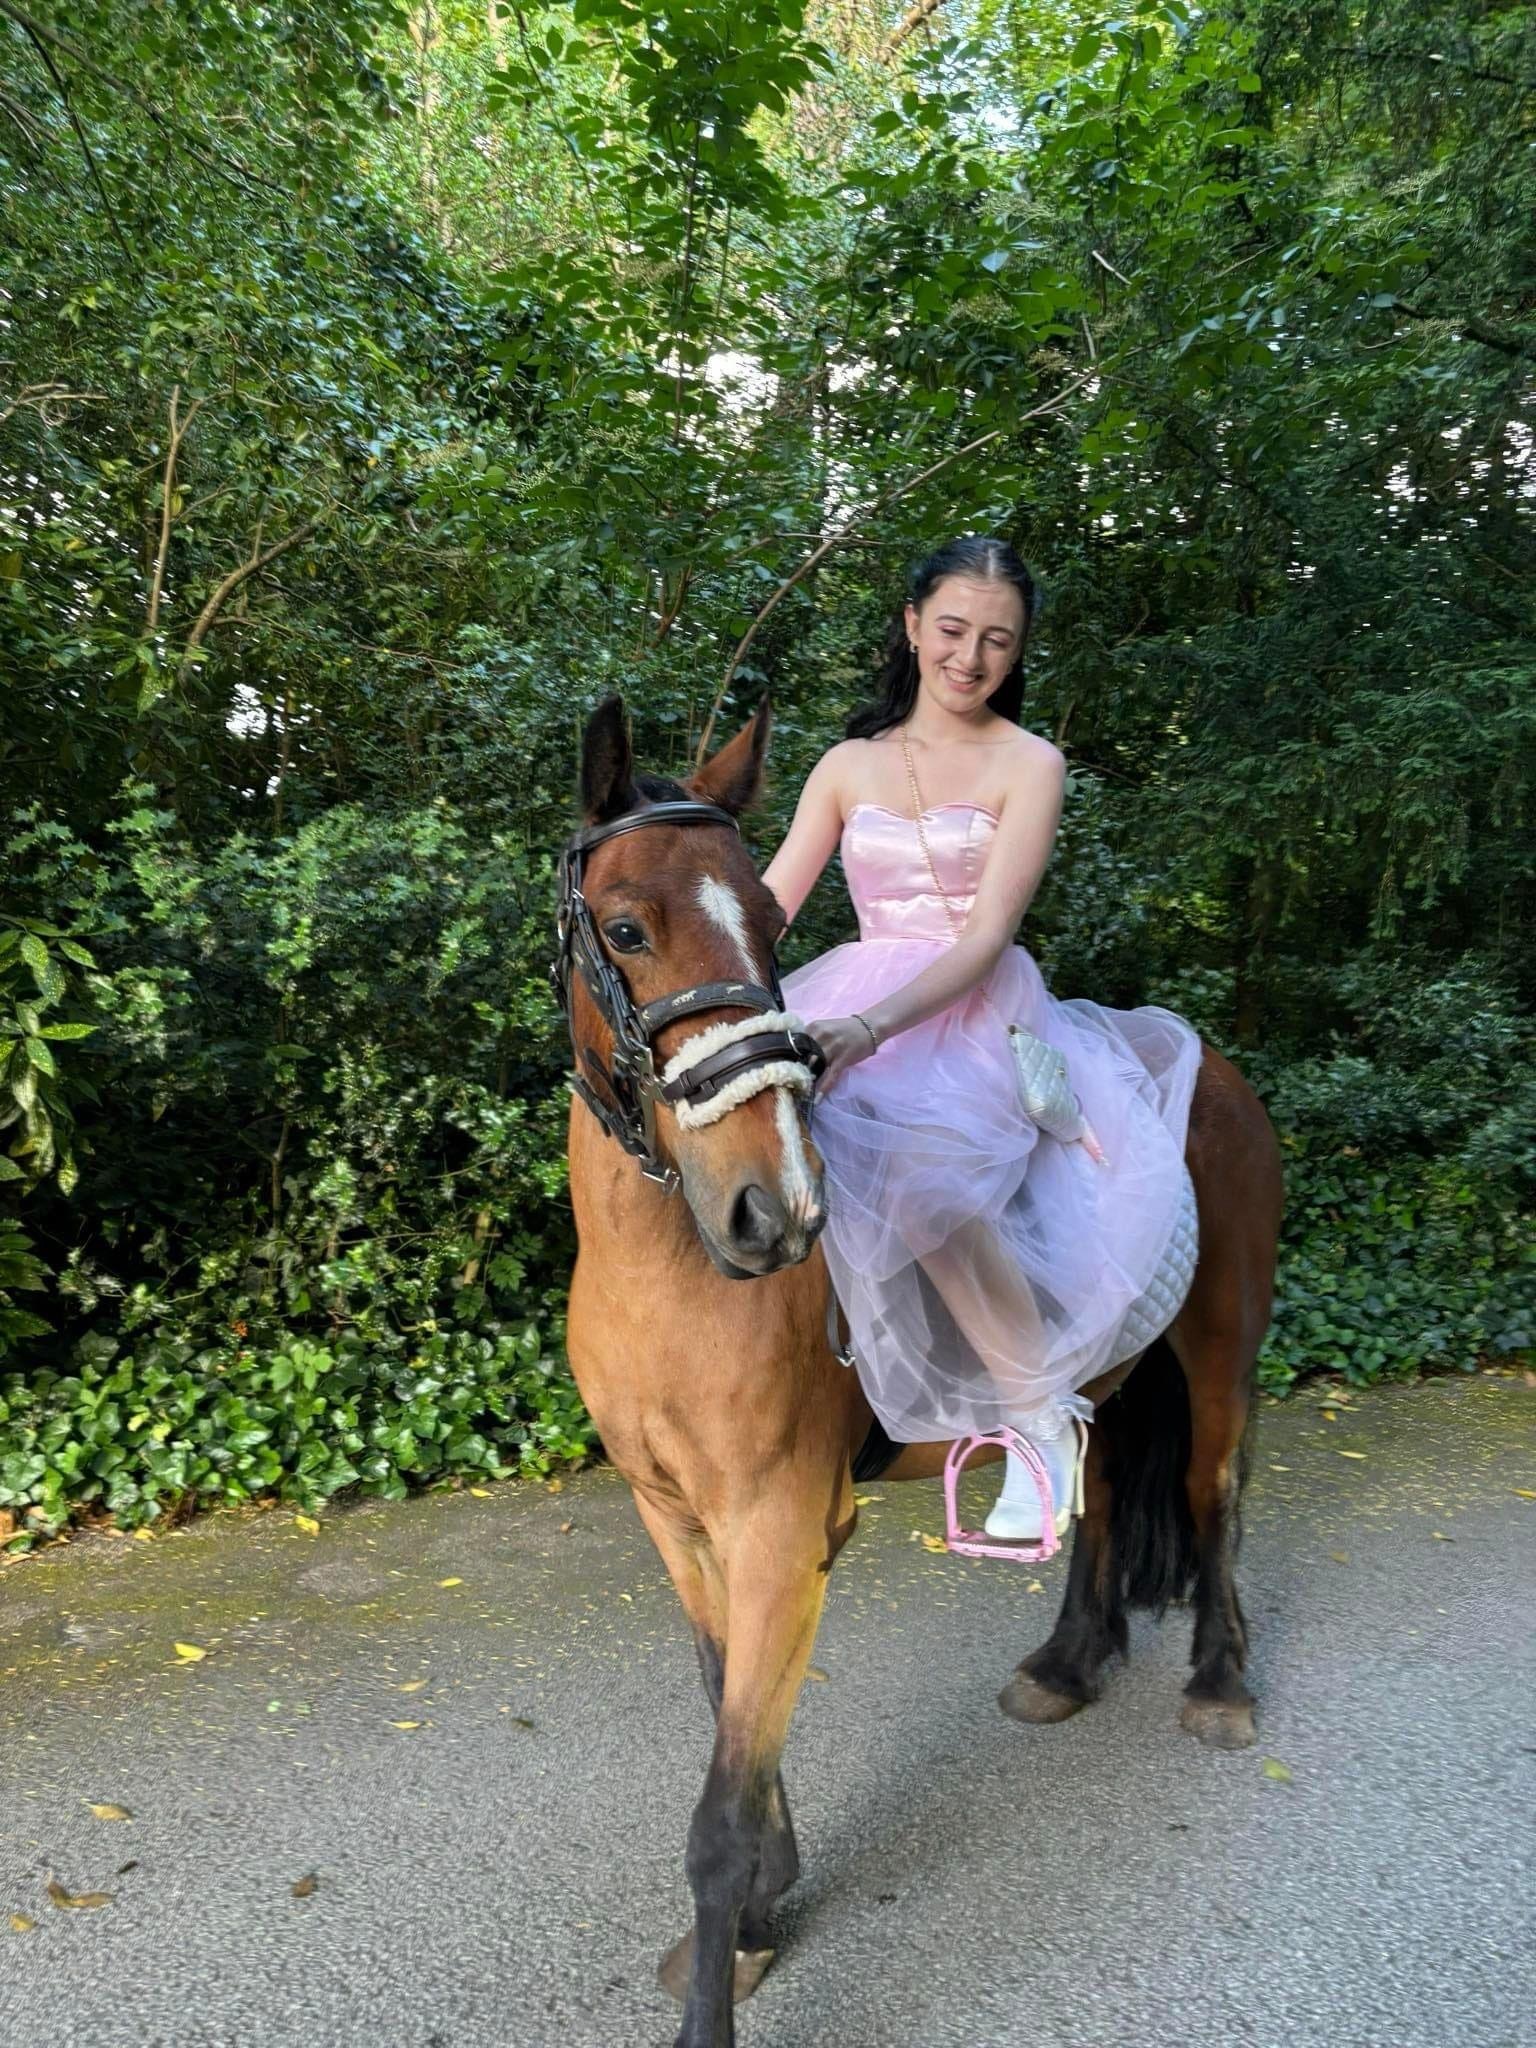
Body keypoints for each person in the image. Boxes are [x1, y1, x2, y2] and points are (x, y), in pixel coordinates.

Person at [760, 536, 1202, 1544]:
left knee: (924, 1174)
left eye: (996, 641)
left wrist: (869, 1029)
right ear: (912, 626)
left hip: (976, 1009)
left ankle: (1041, 1414)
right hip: (852, 982)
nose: (970, 657)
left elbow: (987, 932)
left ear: (1017, 652)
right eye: (952, 630)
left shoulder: (1031, 763)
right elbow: (773, 907)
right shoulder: (848, 764)